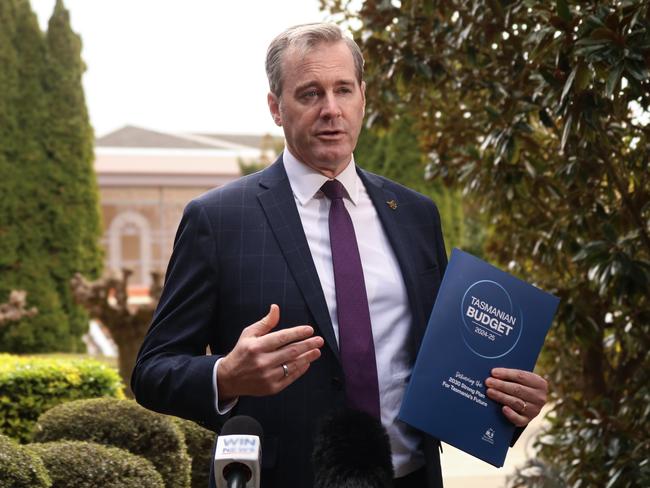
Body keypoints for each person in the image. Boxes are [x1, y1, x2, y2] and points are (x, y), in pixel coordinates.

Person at [131, 23, 549, 488]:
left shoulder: (415, 214)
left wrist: (509, 403)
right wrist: (225, 375)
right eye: (309, 93)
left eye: (342, 90)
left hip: (409, 476)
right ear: (275, 107)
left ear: (362, 99)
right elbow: (153, 370)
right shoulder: (218, 220)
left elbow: (446, 362)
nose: (331, 109)